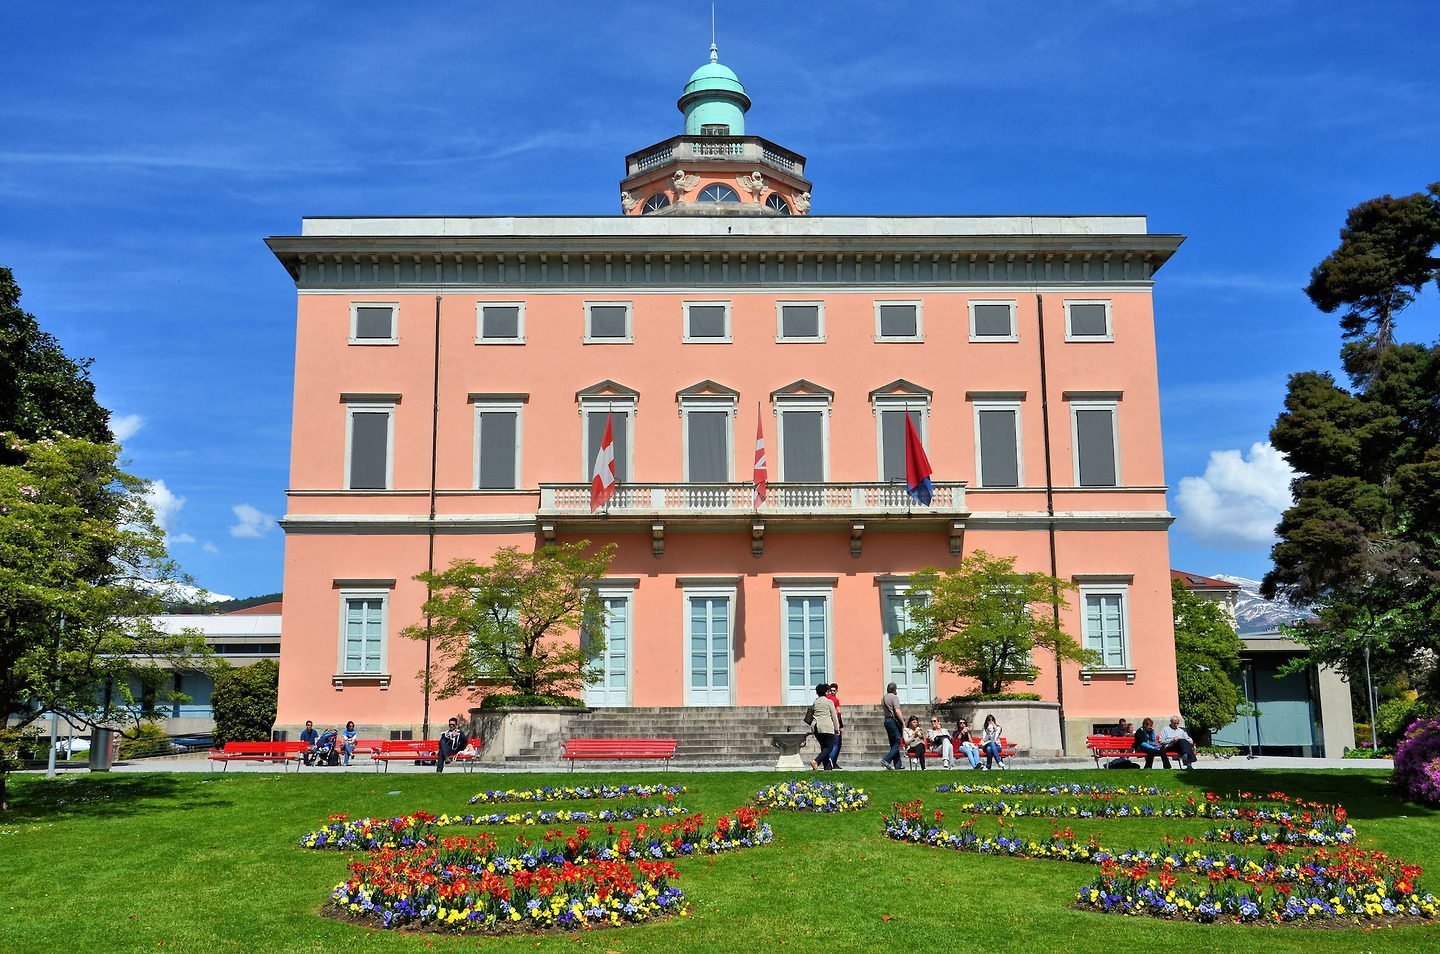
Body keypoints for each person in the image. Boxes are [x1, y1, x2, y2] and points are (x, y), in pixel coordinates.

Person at [805, 682, 841, 771]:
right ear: (826, 692)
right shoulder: (829, 702)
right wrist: (837, 728)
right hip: (826, 726)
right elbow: (834, 716)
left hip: (816, 727)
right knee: (829, 747)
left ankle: (827, 767)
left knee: (824, 747)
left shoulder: (816, 702)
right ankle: (816, 761)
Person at [880, 682, 905, 770]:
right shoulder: (894, 697)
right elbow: (897, 711)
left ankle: (898, 764)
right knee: (897, 742)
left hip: (886, 721)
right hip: (893, 721)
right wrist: (903, 722)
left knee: (893, 742)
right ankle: (886, 759)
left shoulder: (883, 698)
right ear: (894, 689)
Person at [825, 683, 844, 769]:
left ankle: (833, 762)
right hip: (834, 724)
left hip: (826, 723)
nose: (832, 692)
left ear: (836, 691)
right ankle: (831, 761)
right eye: (831, 690)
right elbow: (838, 712)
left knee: (830, 744)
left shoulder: (825, 699)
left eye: (834, 691)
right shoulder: (835, 700)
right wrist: (840, 725)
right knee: (836, 743)